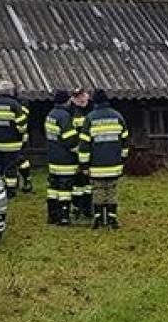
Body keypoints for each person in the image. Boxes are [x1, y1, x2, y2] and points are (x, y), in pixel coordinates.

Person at [77, 89, 129, 229]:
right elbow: (125, 141)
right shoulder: (118, 117)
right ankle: (112, 219)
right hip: (114, 164)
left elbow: (84, 145)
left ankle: (98, 219)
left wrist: (84, 165)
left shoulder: (90, 118)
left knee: (98, 190)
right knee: (112, 191)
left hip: (96, 166)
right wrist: (123, 160)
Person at [43, 89, 80, 225]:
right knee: (65, 188)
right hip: (65, 160)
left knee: (53, 187)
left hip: (53, 157)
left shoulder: (51, 114)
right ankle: (64, 216)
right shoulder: (64, 116)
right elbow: (70, 140)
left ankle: (52, 215)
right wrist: (79, 151)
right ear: (66, 101)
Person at [69, 87, 93, 219]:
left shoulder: (93, 109)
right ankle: (77, 207)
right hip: (76, 152)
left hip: (91, 151)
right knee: (78, 181)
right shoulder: (70, 111)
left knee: (89, 181)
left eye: (83, 95)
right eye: (77, 97)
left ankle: (88, 208)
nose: (81, 99)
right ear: (73, 99)